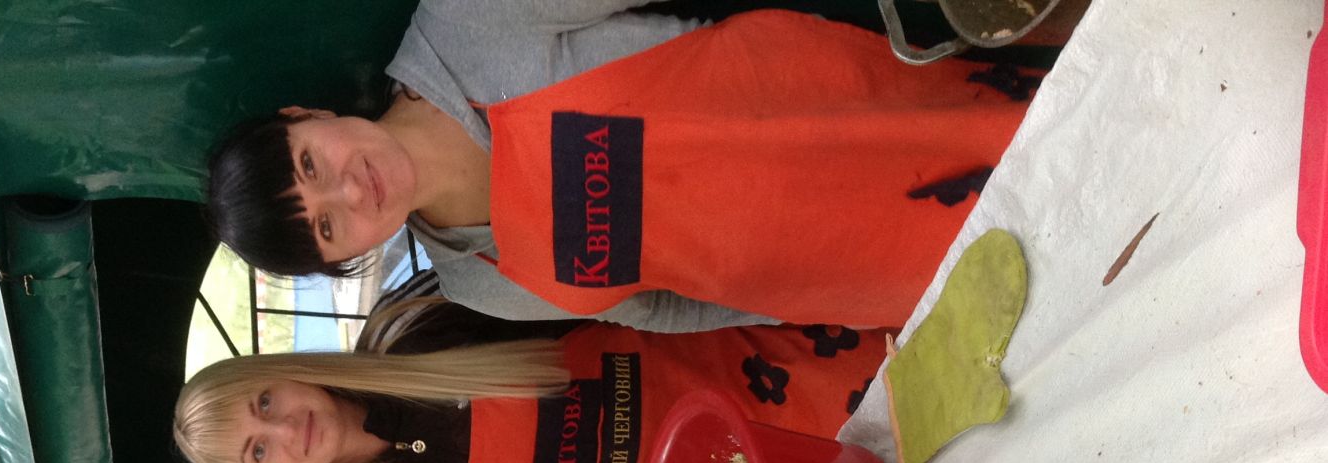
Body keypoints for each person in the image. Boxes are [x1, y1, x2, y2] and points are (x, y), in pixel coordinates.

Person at [206, 1, 1040, 332]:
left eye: (311, 164)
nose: (350, 191)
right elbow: (660, 309)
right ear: (347, 253)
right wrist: (798, 301)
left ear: (305, 116)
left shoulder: (465, 23)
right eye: (329, 226)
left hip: (876, 112)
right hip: (865, 271)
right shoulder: (478, 283)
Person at [174, 294, 887, 463]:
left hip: (770, 361)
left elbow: (614, 296)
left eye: (263, 402)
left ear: (280, 373)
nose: (284, 430)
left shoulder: (408, 330)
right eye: (258, 451)